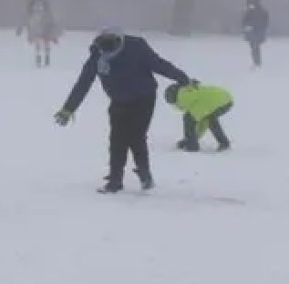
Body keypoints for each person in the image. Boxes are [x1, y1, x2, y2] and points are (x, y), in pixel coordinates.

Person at [54, 28, 192, 193]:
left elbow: (159, 65)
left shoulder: (136, 47)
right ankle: (115, 180)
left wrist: (183, 78)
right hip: (119, 100)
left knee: (136, 137)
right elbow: (84, 82)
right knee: (117, 139)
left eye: (110, 51)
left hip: (144, 98)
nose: (107, 55)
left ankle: (145, 175)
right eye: (104, 51)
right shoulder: (97, 55)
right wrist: (68, 109)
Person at [165, 81, 233, 152]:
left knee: (188, 118)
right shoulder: (186, 91)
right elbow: (202, 121)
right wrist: (194, 138)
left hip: (211, 101)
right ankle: (224, 143)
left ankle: (192, 145)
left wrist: (191, 140)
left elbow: (194, 118)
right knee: (208, 119)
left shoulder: (182, 97)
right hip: (225, 99)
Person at [18, 0, 59, 68]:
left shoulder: (37, 10)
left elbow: (50, 20)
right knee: (40, 44)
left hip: (42, 28)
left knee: (40, 44)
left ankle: (42, 59)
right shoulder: (39, 9)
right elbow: (51, 20)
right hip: (40, 28)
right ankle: (43, 59)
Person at [242, 0, 270, 69]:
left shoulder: (253, 10)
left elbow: (245, 20)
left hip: (255, 31)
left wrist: (246, 26)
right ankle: (257, 62)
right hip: (256, 32)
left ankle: (256, 62)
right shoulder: (260, 10)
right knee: (255, 47)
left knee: (255, 47)